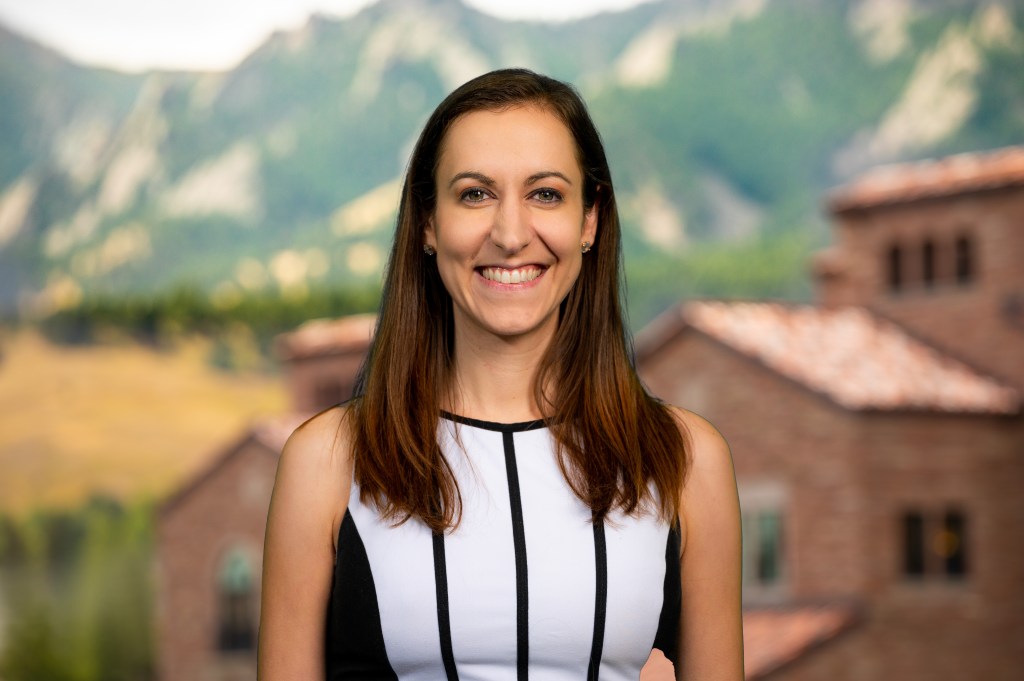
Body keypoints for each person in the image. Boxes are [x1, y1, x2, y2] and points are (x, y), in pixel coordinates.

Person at [258, 68, 742, 681]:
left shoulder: (685, 462)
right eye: (474, 195)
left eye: (546, 194)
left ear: (590, 220)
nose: (511, 236)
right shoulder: (325, 464)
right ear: (428, 223)